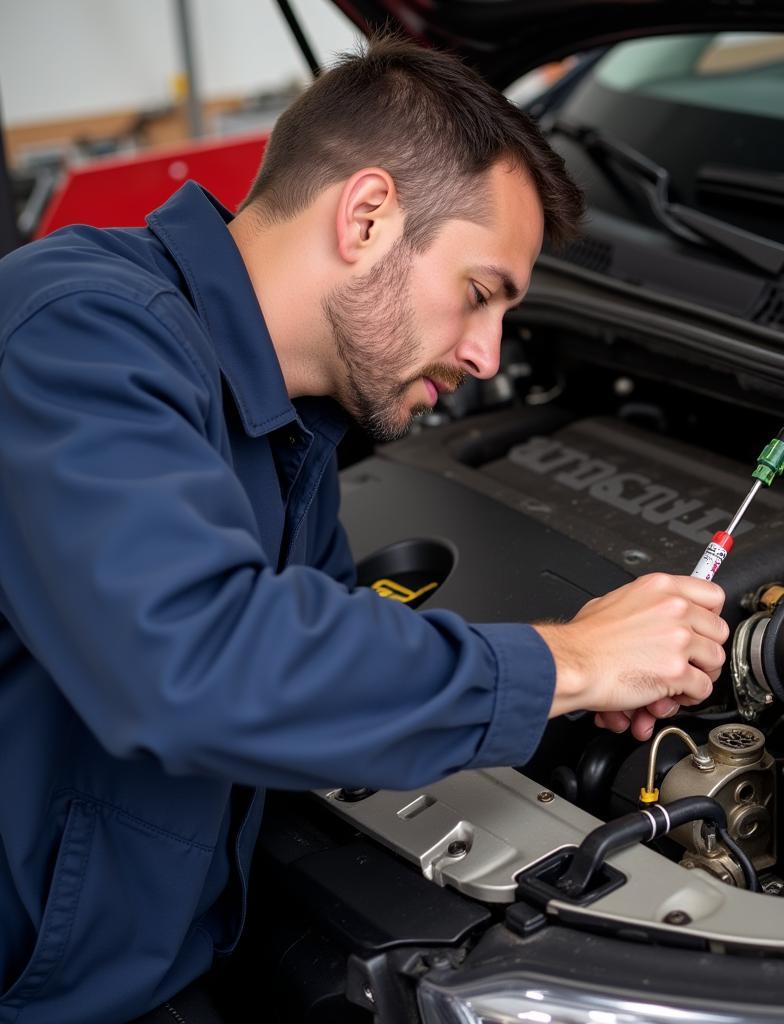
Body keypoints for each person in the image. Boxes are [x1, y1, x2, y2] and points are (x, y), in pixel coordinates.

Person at [0, 35, 729, 1024]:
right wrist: (570, 663)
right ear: (368, 215)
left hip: (162, 960)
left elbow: (321, 658)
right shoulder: (75, 334)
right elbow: (195, 663)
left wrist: (572, 680)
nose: (485, 354)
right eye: (479, 295)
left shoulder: (293, 426)